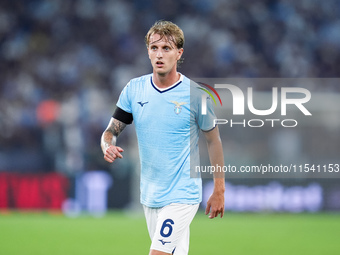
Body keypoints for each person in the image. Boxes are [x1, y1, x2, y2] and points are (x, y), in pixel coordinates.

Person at [101, 20, 225, 255]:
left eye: (166, 48)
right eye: (154, 47)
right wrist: (107, 145)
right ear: (148, 51)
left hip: (182, 194)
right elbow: (111, 131)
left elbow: (213, 140)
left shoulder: (196, 95)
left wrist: (219, 190)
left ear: (179, 53)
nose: (159, 54)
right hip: (150, 195)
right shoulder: (134, 90)